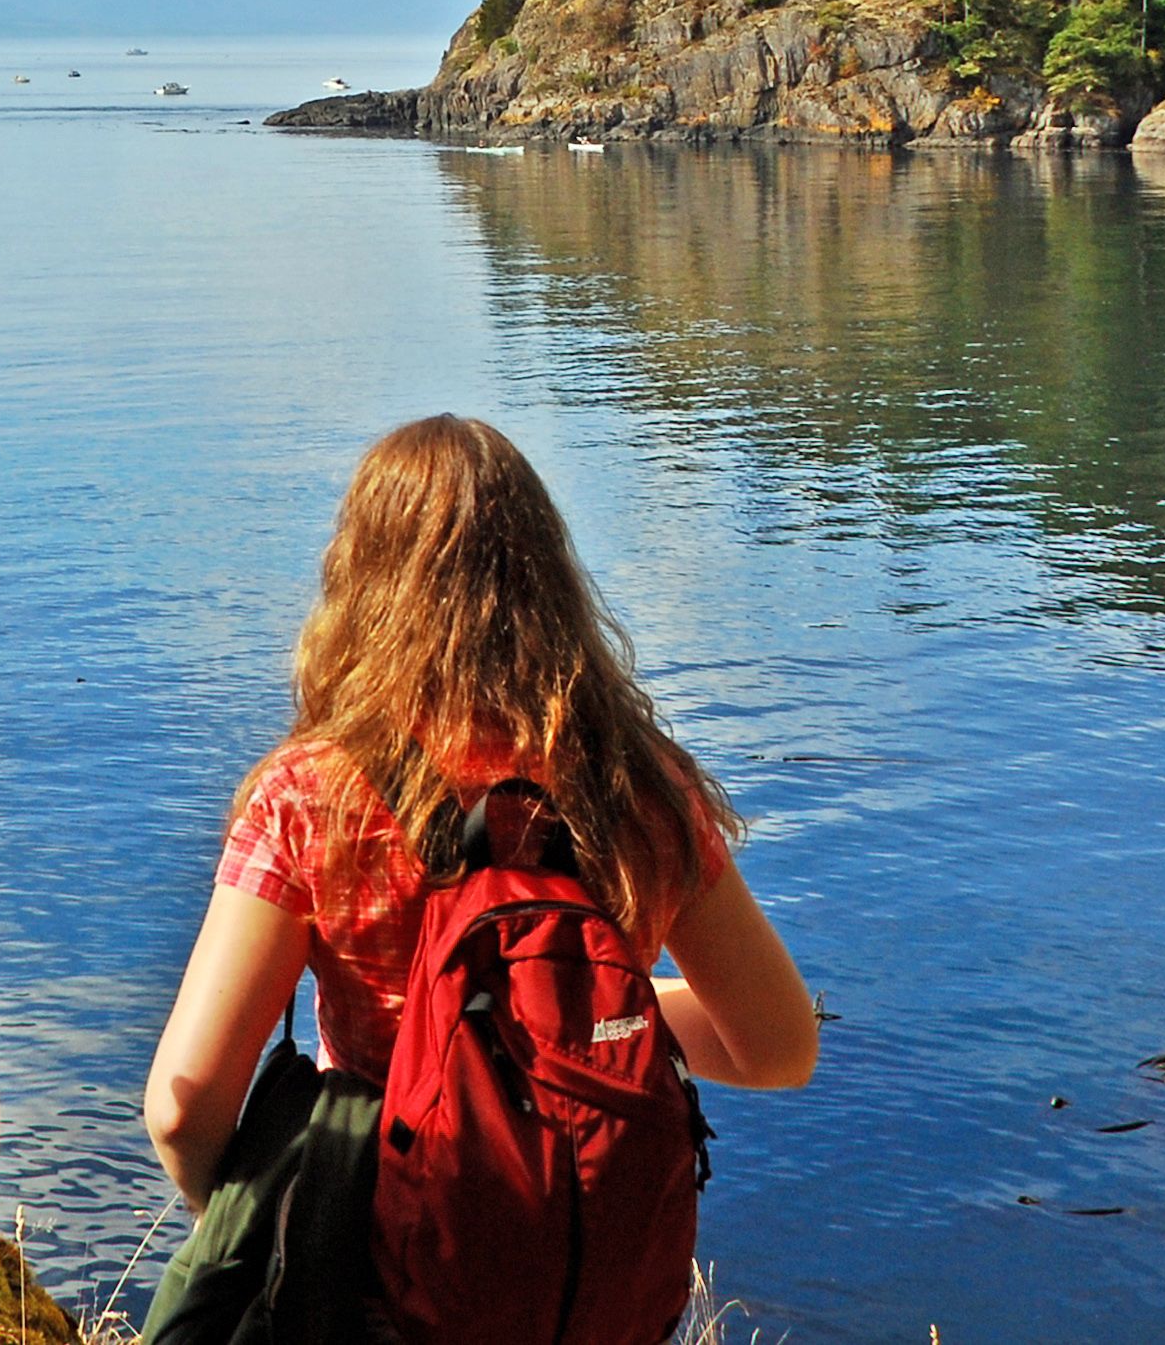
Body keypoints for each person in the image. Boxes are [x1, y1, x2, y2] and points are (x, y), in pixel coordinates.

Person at [142, 415, 820, 1209]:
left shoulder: (310, 797)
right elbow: (777, 1049)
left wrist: (252, 1231)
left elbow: (183, 1110)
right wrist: (587, 1009)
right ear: (551, 579)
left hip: (382, 1259)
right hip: (577, 1270)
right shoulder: (636, 784)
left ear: (359, 582)